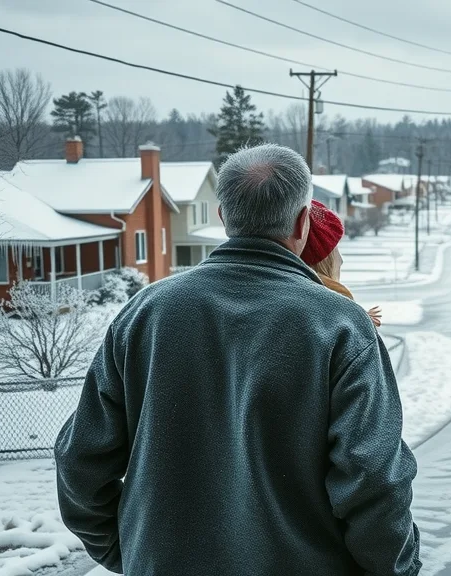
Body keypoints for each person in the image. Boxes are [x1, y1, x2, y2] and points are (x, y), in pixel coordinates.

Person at [54, 144, 420, 576]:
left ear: (224, 217)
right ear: (304, 221)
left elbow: (79, 461)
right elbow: (374, 481)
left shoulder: (145, 314)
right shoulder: (339, 327)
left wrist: (131, 550)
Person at [301, 200, 381, 327]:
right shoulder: (334, 303)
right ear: (323, 260)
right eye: (334, 249)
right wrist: (359, 323)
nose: (341, 260)